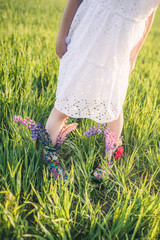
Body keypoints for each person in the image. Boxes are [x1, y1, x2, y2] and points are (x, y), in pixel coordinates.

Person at [42, 0, 159, 181]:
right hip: (89, 38)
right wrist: (61, 36)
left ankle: (108, 159)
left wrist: (135, 53)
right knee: (66, 100)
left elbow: (149, 14)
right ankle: (49, 158)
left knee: (114, 103)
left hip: (120, 50)